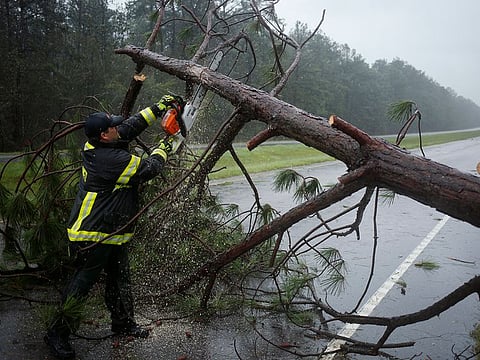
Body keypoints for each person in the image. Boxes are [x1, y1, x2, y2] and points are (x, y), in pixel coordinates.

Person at [44, 95, 183, 359]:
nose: (118, 128)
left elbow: (131, 126)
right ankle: (56, 334)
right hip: (91, 233)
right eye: (112, 127)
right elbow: (150, 168)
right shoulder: (111, 160)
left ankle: (123, 324)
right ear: (103, 136)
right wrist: (166, 146)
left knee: (120, 279)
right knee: (81, 285)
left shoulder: (103, 143)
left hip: (113, 230)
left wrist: (160, 107)